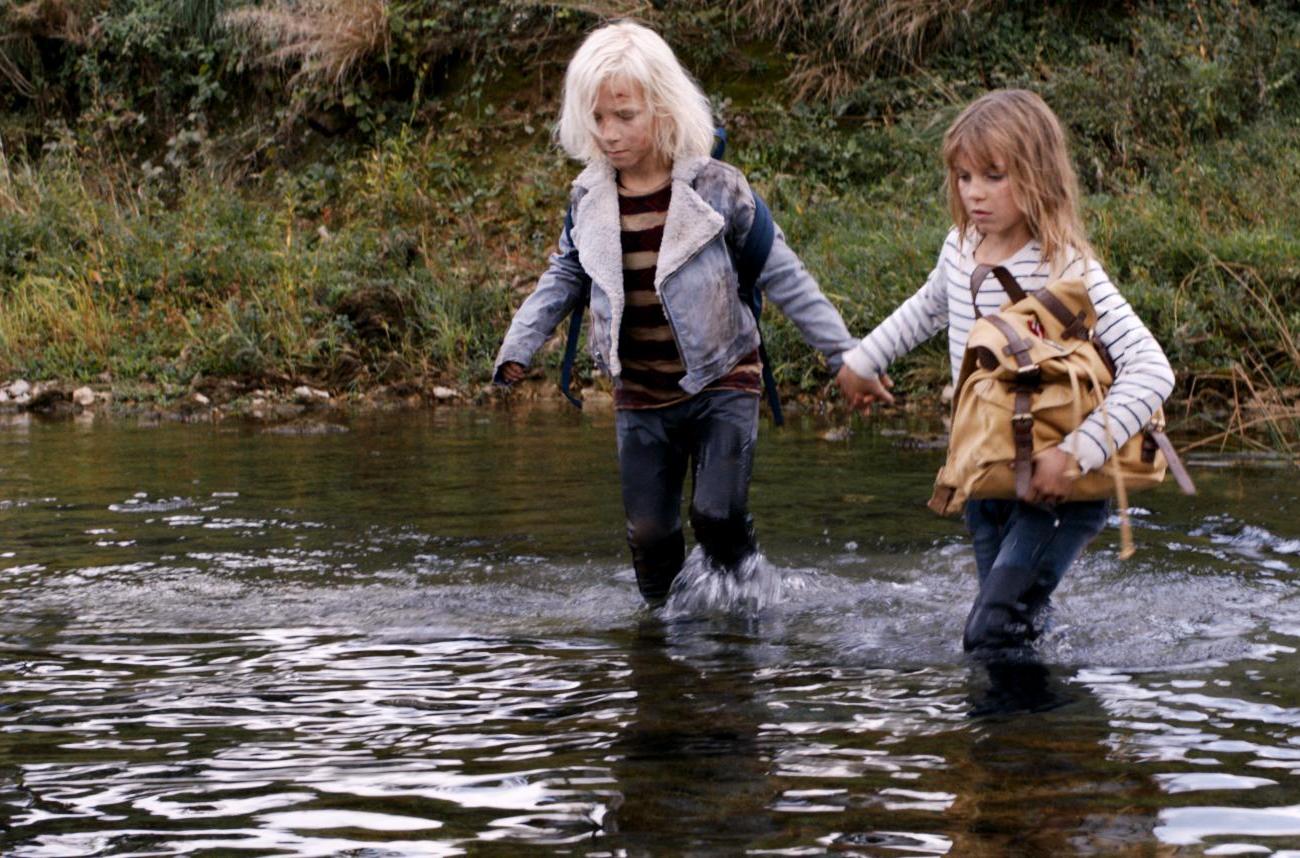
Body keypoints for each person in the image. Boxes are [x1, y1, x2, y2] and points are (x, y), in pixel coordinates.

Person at [494, 20, 857, 607]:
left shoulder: (717, 190)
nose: (608, 133)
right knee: (649, 537)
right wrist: (519, 345)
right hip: (640, 392)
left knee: (716, 515)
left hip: (722, 378)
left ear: (662, 110)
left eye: (624, 116)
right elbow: (565, 275)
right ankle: (666, 653)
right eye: (597, 118)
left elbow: (782, 274)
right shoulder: (588, 199)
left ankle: (757, 601)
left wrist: (845, 355)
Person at [836, 89, 1175, 657]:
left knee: (991, 631)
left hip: (1060, 486)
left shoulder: (1067, 267)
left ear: (1038, 174)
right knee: (1014, 629)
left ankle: (1035, 737)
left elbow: (1152, 369)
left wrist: (1075, 452)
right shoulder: (960, 247)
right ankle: (1029, 740)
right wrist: (862, 362)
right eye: (964, 175)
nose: (973, 192)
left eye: (993, 175)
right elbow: (927, 307)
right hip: (985, 474)